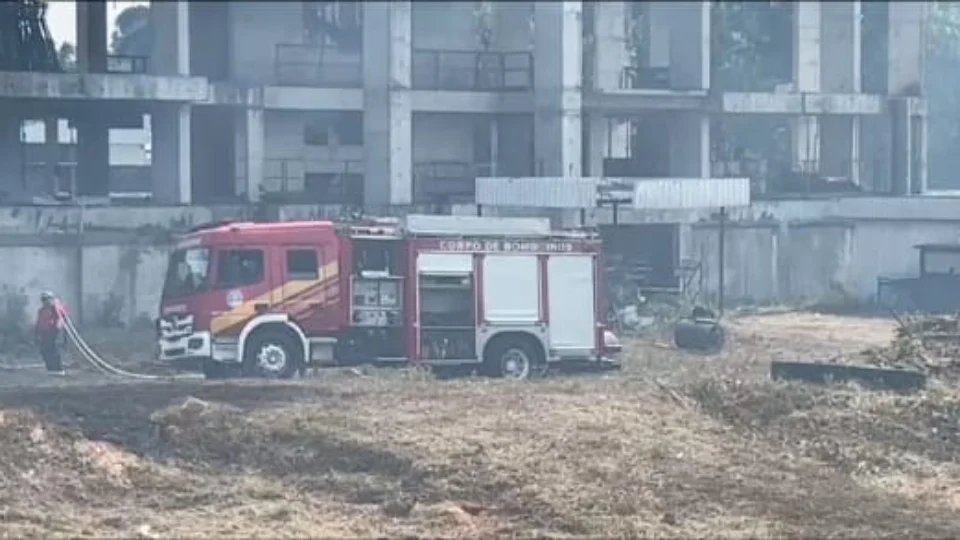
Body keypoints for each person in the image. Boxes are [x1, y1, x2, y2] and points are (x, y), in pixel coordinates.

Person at [34, 291, 64, 375]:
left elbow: (62, 318)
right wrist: (36, 333)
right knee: (44, 351)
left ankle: (58, 369)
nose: (45, 301)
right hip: (43, 333)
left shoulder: (55, 309)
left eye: (47, 299)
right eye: (43, 299)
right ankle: (50, 369)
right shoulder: (41, 311)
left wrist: (57, 328)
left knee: (53, 350)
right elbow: (38, 322)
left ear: (51, 299)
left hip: (53, 332)